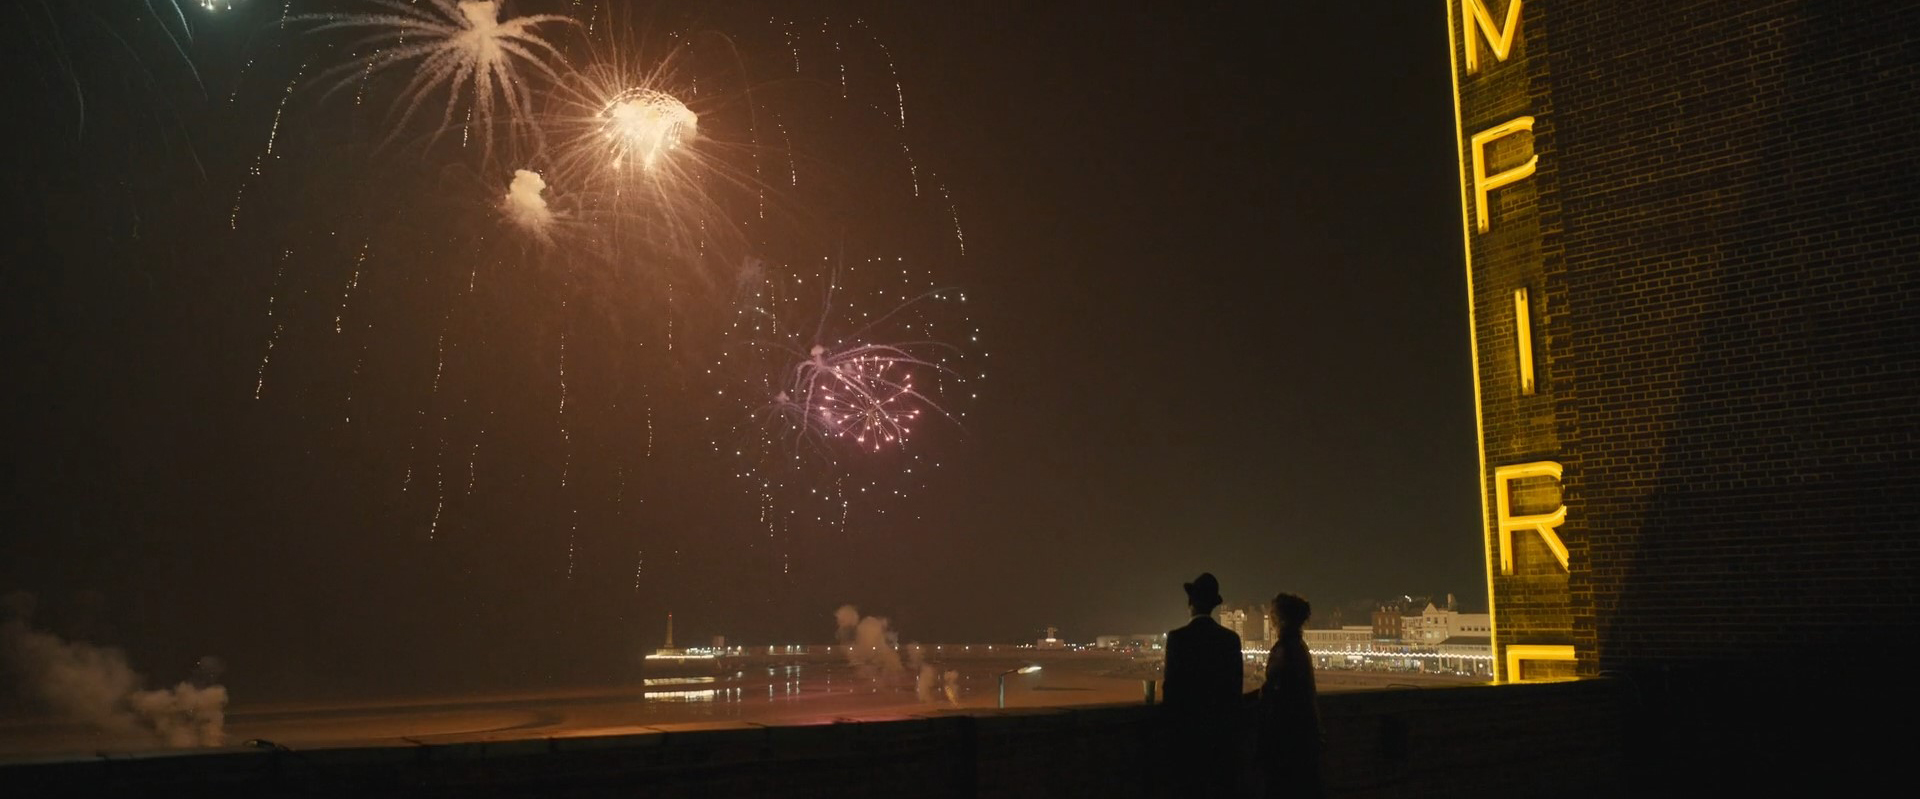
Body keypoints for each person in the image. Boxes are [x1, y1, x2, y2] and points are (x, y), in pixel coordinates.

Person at [1159, 572, 1245, 793]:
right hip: (1222, 737)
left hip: (1187, 736)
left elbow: (1172, 689)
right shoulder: (1230, 639)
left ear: (1190, 603)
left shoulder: (1178, 638)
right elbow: (1235, 689)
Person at [1254, 592, 1324, 798]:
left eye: (1273, 616)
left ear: (1280, 620)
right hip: (1304, 740)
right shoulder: (1299, 648)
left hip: (1286, 744)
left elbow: (1273, 694)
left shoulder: (1284, 650)